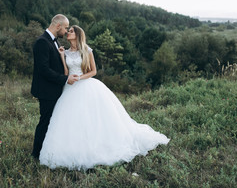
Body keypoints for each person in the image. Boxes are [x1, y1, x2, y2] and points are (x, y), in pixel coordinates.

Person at [39, 25, 170, 170]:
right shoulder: (66, 52)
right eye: (68, 31)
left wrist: (80, 78)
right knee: (72, 119)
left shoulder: (87, 51)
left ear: (77, 35)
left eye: (70, 31)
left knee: (92, 118)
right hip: (70, 88)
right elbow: (65, 73)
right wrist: (63, 58)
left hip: (86, 85)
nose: (68, 33)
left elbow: (93, 71)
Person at [31, 14, 79, 159]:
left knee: (53, 121)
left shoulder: (55, 42)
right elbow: (44, 70)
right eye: (65, 28)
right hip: (46, 91)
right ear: (58, 26)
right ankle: (36, 154)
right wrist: (65, 79)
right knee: (45, 122)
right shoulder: (42, 42)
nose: (66, 31)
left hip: (55, 90)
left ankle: (49, 151)